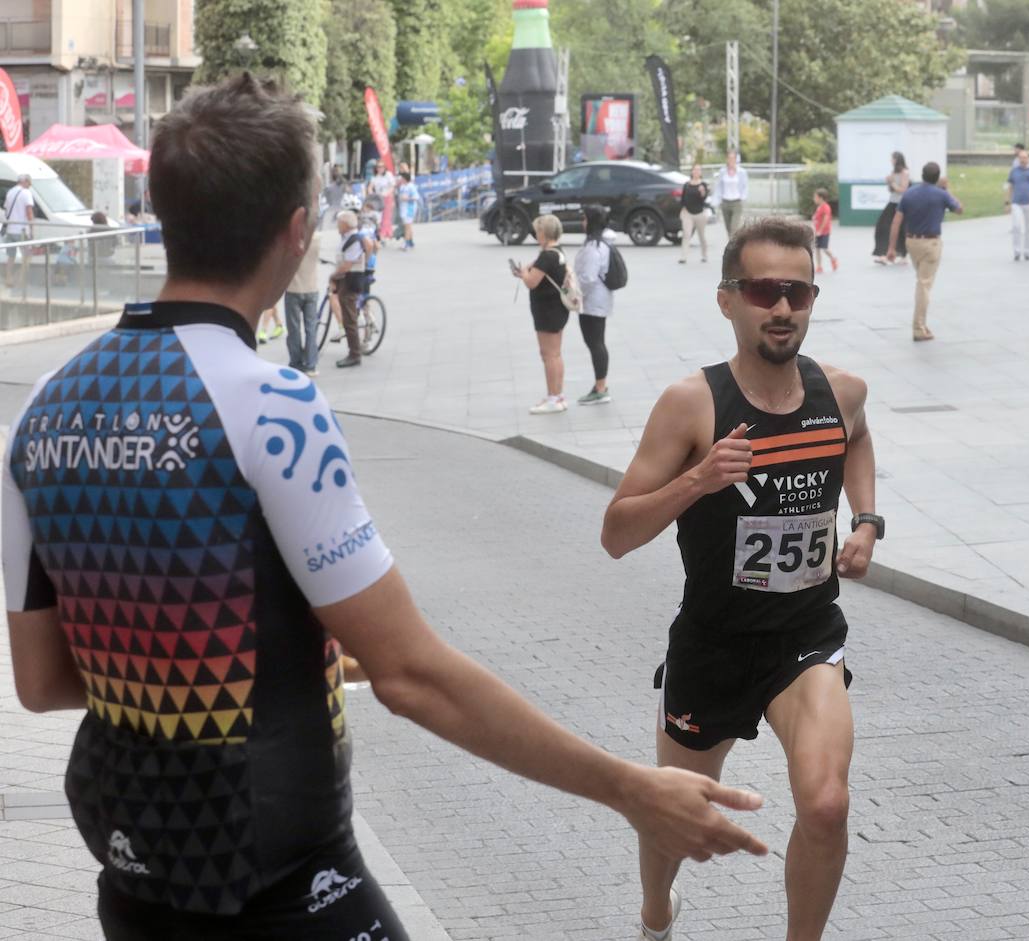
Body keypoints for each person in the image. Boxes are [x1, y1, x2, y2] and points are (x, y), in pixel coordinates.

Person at [1, 73, 766, 941]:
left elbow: (43, 681)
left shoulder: (42, 410)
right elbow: (410, 675)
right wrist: (631, 787)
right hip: (282, 875)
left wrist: (254, 660)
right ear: (296, 234)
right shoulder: (273, 404)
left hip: (134, 872)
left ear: (165, 212)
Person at [601, 216, 879, 941]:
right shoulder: (692, 403)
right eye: (763, 290)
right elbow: (617, 533)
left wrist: (868, 520)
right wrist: (698, 479)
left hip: (806, 634)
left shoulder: (841, 391)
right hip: (714, 642)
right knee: (674, 814)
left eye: (798, 291)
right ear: (728, 300)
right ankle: (656, 913)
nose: (782, 307)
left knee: (825, 803)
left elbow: (859, 436)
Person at [886, 161, 963, 341]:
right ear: (937, 177)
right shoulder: (941, 194)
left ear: (922, 174)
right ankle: (918, 328)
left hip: (911, 242)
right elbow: (960, 209)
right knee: (924, 284)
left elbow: (896, 221)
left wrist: (891, 247)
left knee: (922, 281)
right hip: (931, 244)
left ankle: (922, 324)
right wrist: (947, 189)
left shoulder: (909, 194)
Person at [513, 214, 574, 414]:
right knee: (555, 354)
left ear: (544, 233)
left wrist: (523, 275)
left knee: (548, 355)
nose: (535, 235)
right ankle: (558, 396)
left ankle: (552, 398)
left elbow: (532, 282)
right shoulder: (557, 252)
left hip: (547, 311)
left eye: (537, 232)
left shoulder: (547, 256)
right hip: (557, 309)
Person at [574, 206, 616, 405]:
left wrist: (575, 294)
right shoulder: (601, 243)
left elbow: (588, 279)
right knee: (596, 342)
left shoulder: (594, 247)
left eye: (584, 219)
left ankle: (601, 388)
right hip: (598, 301)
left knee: (596, 343)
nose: (582, 222)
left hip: (592, 303)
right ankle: (600, 385)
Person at [330, 208, 372, 368]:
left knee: (349, 319)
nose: (337, 226)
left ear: (346, 224)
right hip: (348, 280)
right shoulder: (351, 237)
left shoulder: (354, 239)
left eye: (339, 223)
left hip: (350, 281)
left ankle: (354, 354)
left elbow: (347, 264)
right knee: (349, 317)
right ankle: (353, 352)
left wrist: (334, 275)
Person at [284, 226, 323, 376]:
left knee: (294, 329)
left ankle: (296, 363)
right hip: (312, 288)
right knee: (311, 328)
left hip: (293, 289)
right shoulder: (317, 239)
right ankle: (311, 364)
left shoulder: (290, 242)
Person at [1005, 148, 1029, 262]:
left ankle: (1027, 251)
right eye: (1021, 157)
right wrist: (1007, 202)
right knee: (1016, 226)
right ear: (1018, 159)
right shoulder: (1014, 171)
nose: (1023, 160)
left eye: (1025, 157)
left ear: (1028, 159)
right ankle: (1017, 251)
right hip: (1017, 203)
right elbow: (1010, 187)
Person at [872, 152, 909, 265]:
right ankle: (883, 253)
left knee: (901, 230)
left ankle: (902, 255)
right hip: (892, 202)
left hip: (901, 204)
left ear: (897, 159)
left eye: (892, 159)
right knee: (882, 227)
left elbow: (903, 189)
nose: (891, 161)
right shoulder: (893, 172)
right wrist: (889, 183)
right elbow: (892, 190)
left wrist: (892, 182)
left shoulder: (904, 172)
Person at [2, 173, 34, 290]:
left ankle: (8, 279)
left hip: (10, 229)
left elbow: (6, 210)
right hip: (22, 230)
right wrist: (32, 229)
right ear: (24, 181)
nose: (29, 186)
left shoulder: (10, 192)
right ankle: (21, 281)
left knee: (11, 256)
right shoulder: (26, 193)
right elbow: (29, 212)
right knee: (28, 256)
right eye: (29, 183)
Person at [713, 151, 749, 237]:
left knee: (734, 228)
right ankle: (731, 246)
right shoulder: (723, 171)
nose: (731, 160)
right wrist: (717, 200)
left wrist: (742, 197)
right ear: (727, 159)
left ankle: (733, 248)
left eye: (733, 158)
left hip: (736, 202)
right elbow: (719, 186)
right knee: (728, 229)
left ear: (736, 159)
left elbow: (745, 186)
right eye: (729, 158)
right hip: (725, 202)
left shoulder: (741, 172)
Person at [679, 163, 710, 264]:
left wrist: (702, 192)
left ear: (700, 172)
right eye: (694, 170)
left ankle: (704, 255)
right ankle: (684, 256)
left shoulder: (703, 185)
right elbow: (683, 199)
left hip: (700, 214)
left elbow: (704, 199)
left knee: (701, 235)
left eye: (698, 170)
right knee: (686, 234)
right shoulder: (687, 185)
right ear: (692, 171)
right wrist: (683, 209)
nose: (696, 172)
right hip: (688, 213)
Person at [367, 162, 397, 241]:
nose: (380, 168)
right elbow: (370, 187)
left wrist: (387, 193)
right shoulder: (375, 177)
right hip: (378, 199)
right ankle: (380, 233)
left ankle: (384, 234)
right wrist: (371, 193)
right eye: (378, 167)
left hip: (387, 198)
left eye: (382, 167)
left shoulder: (388, 175)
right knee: (378, 217)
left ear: (384, 167)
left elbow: (392, 186)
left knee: (386, 217)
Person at [812, 188, 837, 273]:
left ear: (821, 198)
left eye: (815, 197)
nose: (814, 199)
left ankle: (833, 259)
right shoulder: (819, 207)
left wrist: (820, 231)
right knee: (817, 249)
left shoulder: (826, 207)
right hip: (817, 232)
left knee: (824, 248)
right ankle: (819, 267)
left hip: (824, 232)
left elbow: (826, 220)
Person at [396, 172, 420, 250]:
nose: (400, 179)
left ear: (405, 178)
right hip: (403, 208)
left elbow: (416, 197)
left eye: (402, 178)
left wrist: (407, 198)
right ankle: (410, 242)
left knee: (407, 226)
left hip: (410, 209)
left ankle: (406, 243)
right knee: (408, 226)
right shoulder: (402, 186)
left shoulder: (411, 186)